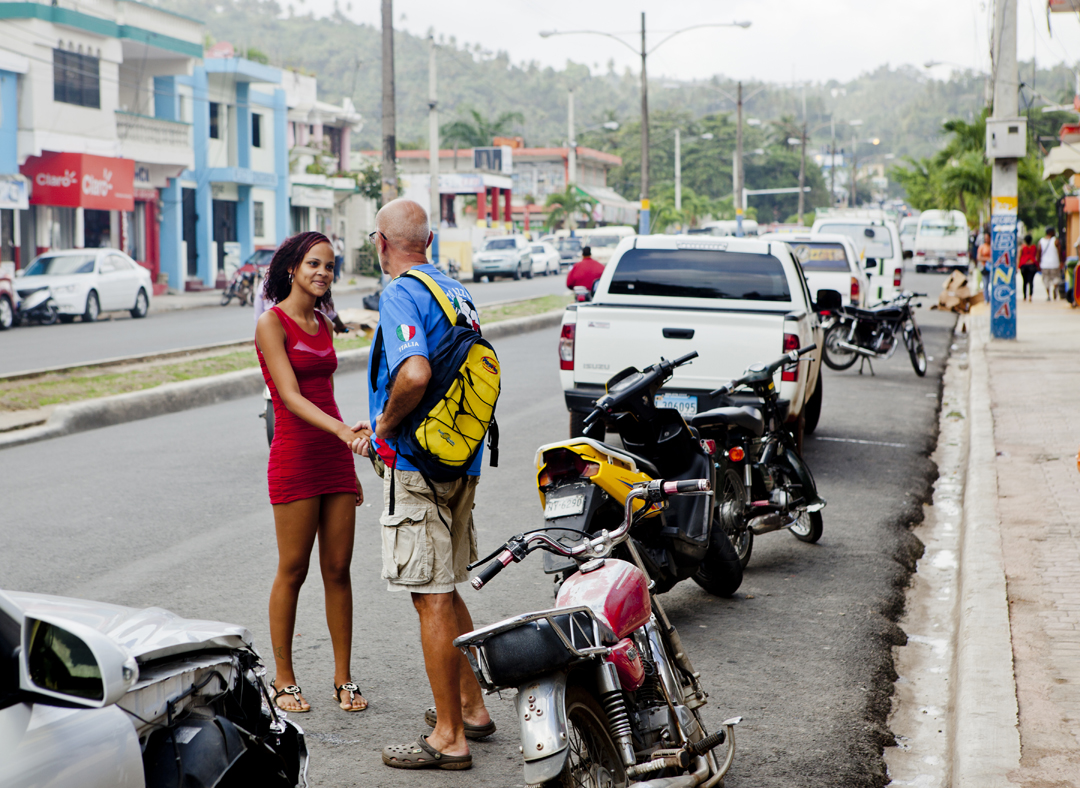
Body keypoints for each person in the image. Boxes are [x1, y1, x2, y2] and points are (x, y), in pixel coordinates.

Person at [351, 199, 492, 771]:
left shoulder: (400, 293)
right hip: (461, 458)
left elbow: (414, 372)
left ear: (381, 242)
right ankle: (473, 709)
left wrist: (383, 426)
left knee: (429, 595)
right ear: (428, 240)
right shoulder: (454, 291)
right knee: (448, 586)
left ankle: (449, 739)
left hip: (417, 464)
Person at [255, 231, 371, 715]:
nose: (322, 272)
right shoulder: (271, 323)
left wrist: (347, 454)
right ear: (291, 269)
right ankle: (284, 678)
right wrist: (345, 433)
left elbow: (323, 393)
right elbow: (290, 396)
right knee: (294, 569)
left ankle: (343, 679)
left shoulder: (324, 323)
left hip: (334, 456)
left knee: (339, 569)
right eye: (313, 264)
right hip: (297, 455)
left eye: (329, 265)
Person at [1039, 226, 1062, 301]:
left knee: (1046, 280)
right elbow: (1059, 252)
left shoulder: (1041, 241)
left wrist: (1038, 263)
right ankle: (1055, 288)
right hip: (1054, 263)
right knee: (1056, 278)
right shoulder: (1056, 240)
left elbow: (1038, 253)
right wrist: (1061, 261)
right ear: (1051, 232)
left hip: (1044, 264)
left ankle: (1048, 295)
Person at [1018, 233, 1039, 302]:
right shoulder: (1033, 247)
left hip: (1024, 265)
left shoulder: (1022, 247)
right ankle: (1030, 296)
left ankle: (1024, 297)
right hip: (1032, 265)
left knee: (1024, 281)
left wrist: (1018, 266)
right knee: (1031, 281)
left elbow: (1019, 256)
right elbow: (1036, 255)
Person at [977, 231, 992, 297]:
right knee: (985, 284)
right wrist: (987, 259)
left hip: (993, 268)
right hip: (985, 267)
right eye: (985, 238)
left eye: (987, 238)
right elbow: (979, 257)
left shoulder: (993, 246)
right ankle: (986, 299)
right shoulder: (982, 247)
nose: (986, 239)